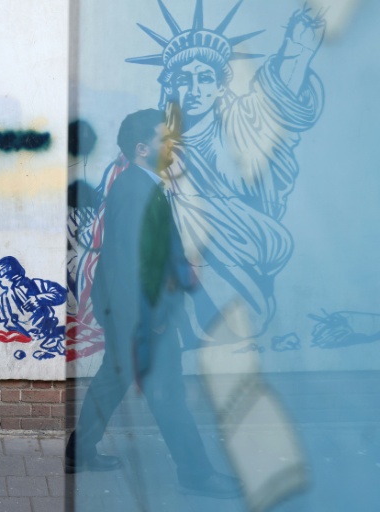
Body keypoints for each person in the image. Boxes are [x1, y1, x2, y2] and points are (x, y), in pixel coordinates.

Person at [65, 109, 239, 499]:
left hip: (133, 314)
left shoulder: (142, 185)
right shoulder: (135, 190)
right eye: (166, 141)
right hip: (143, 317)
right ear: (143, 149)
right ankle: (196, 473)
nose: (173, 147)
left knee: (112, 379)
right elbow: (129, 263)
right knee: (168, 395)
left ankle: (79, 452)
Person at [126, 3, 325, 342]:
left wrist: (298, 51)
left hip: (250, 255)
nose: (195, 89)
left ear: (220, 86)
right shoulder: (157, 143)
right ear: (171, 87)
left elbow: (278, 103)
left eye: (205, 78)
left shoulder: (242, 123)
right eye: (184, 80)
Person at [0, 256, 67, 359]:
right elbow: (5, 325)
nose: (13, 279)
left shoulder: (36, 284)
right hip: (25, 345)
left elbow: (62, 294)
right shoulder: (2, 301)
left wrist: (39, 298)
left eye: (13, 274)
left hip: (50, 336)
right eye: (5, 276)